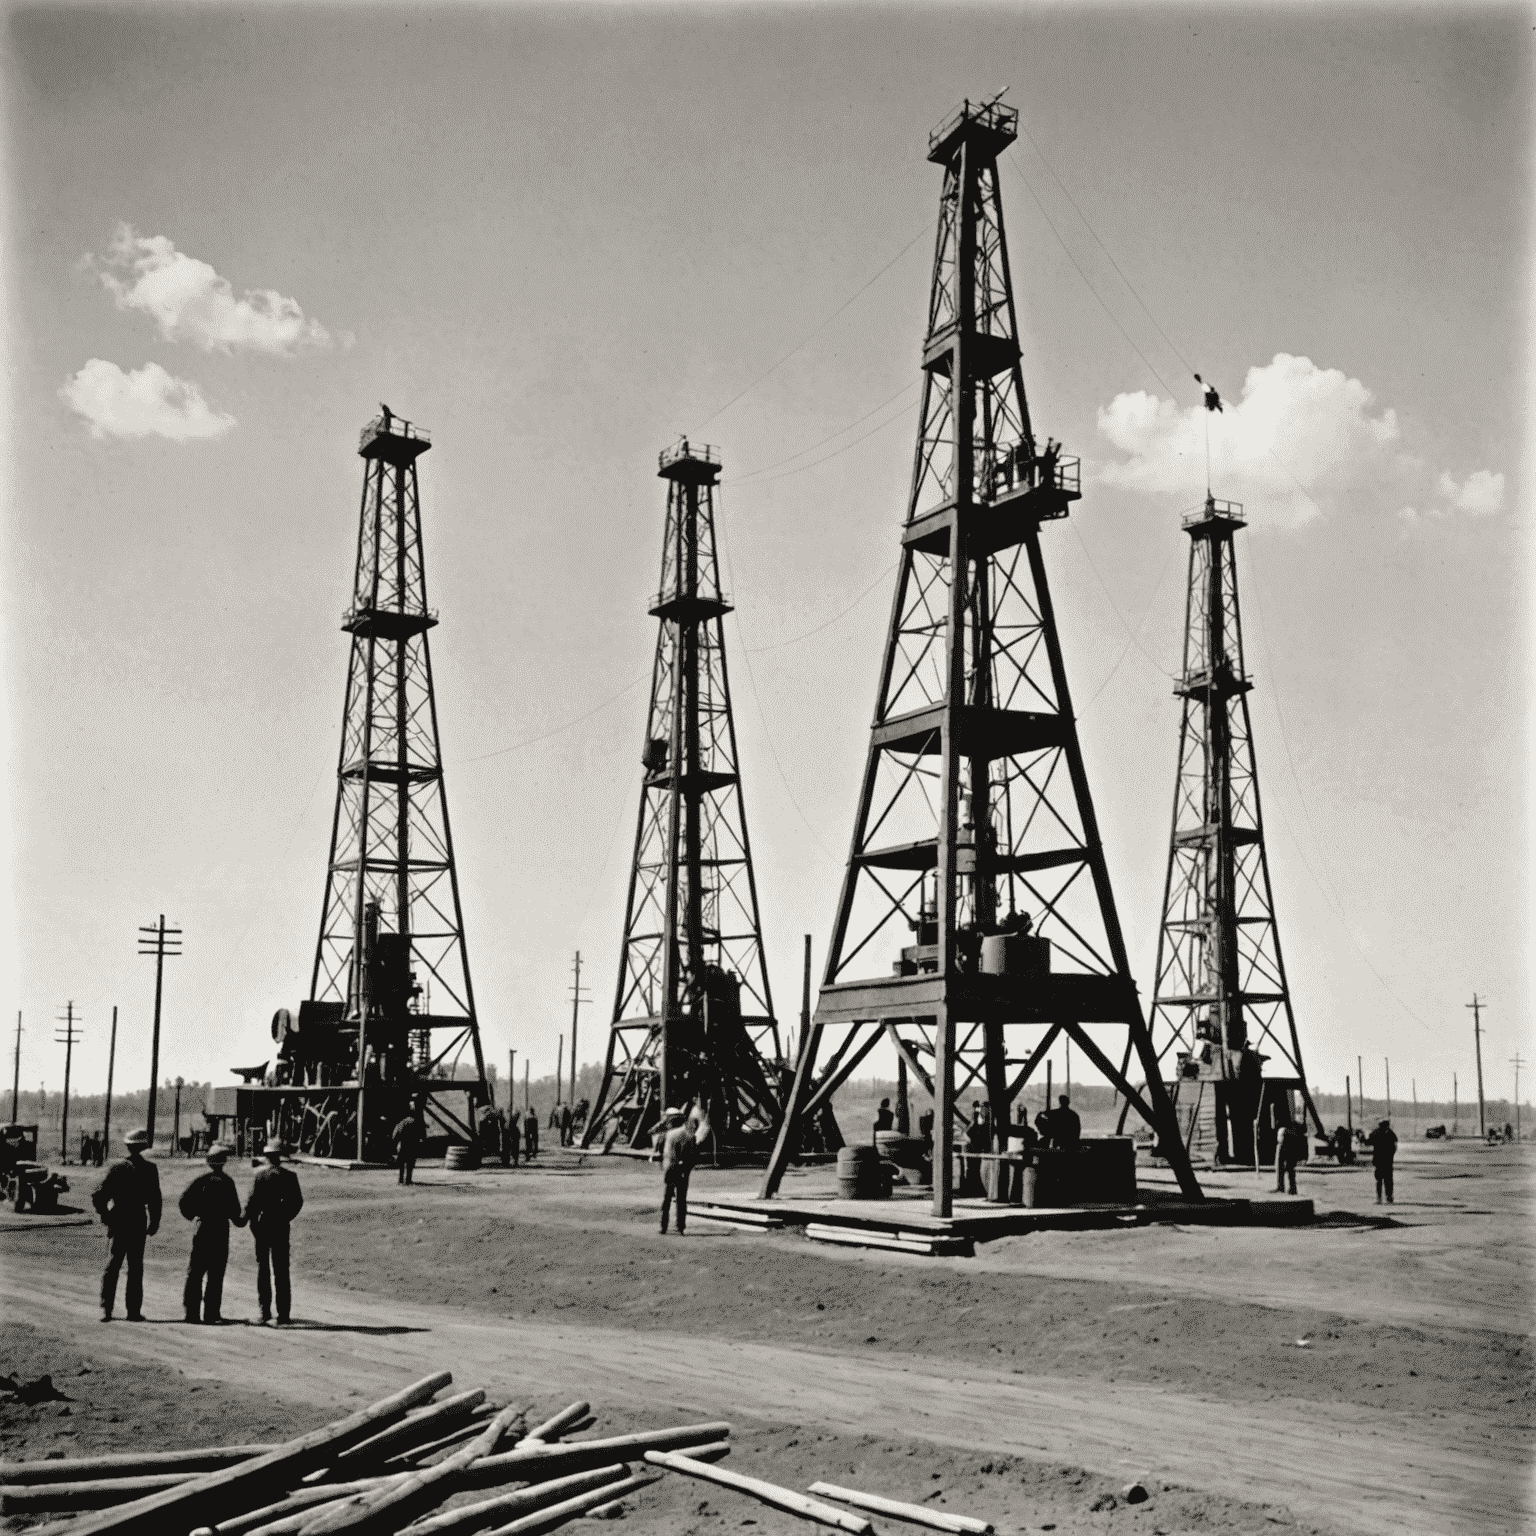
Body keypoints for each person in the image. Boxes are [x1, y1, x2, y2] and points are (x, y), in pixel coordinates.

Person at [92, 1127, 161, 1323]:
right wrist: (155, 1221)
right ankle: (133, 1312)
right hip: (138, 1218)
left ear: (128, 1146)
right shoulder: (150, 1169)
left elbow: (99, 1195)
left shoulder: (116, 1167)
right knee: (135, 1267)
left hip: (119, 1217)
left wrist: (105, 1215)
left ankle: (106, 1309)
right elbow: (155, 1199)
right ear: (144, 1146)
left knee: (112, 1265)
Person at [178, 1143, 246, 1324]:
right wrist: (244, 1219)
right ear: (224, 1162)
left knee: (195, 1272)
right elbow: (235, 1212)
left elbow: (184, 1201)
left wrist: (193, 1216)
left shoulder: (201, 1181)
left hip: (203, 1228)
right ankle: (211, 1314)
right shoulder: (228, 1182)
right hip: (220, 1230)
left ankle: (191, 1313)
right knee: (216, 1274)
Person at [244, 1137, 304, 1326]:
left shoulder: (260, 1177)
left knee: (263, 1270)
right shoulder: (290, 1176)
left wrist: (251, 1222)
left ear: (268, 1156)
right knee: (281, 1271)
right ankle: (283, 1315)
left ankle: (264, 1313)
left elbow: (251, 1204)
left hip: (263, 1225)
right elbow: (297, 1202)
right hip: (281, 1226)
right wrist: (285, 1217)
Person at [654, 1106, 708, 1235]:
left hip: (670, 1169)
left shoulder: (669, 1135)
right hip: (683, 1171)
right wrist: (687, 1167)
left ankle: (664, 1226)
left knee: (667, 1199)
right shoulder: (690, 1137)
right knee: (681, 1199)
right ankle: (680, 1226)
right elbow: (694, 1156)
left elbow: (663, 1152)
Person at [1366, 1118, 1398, 1204]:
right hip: (1387, 1161)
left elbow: (1368, 1142)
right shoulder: (1390, 1133)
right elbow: (1395, 1146)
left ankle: (1380, 1198)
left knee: (1379, 1180)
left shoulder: (1376, 1133)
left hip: (1379, 1160)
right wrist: (1391, 1155)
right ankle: (1389, 1197)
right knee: (1388, 1180)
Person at [1274, 1116, 1305, 1195]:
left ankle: (1291, 1188)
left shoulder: (1291, 1123)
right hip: (1286, 1140)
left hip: (1289, 1141)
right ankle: (1285, 1187)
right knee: (1283, 1167)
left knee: (1289, 1167)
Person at [392, 1110, 421, 1185]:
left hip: (402, 1145)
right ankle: (408, 1180)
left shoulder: (401, 1123)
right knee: (410, 1163)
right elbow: (420, 1135)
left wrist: (397, 1143)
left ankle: (400, 1180)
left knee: (401, 1164)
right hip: (412, 1145)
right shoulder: (415, 1122)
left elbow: (394, 1136)